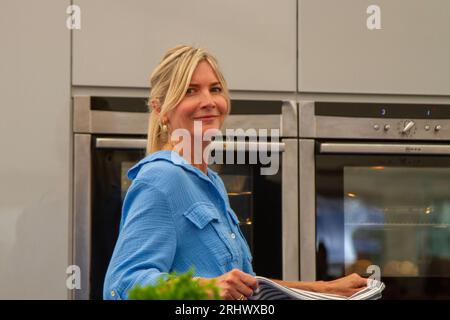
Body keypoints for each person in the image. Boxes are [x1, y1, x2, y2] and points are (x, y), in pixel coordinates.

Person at [103, 45, 368, 300]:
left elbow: (247, 286)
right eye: (190, 91)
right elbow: (122, 285)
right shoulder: (161, 179)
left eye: (215, 89)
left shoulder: (212, 183)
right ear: (161, 110)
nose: (208, 101)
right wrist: (204, 288)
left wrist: (325, 289)